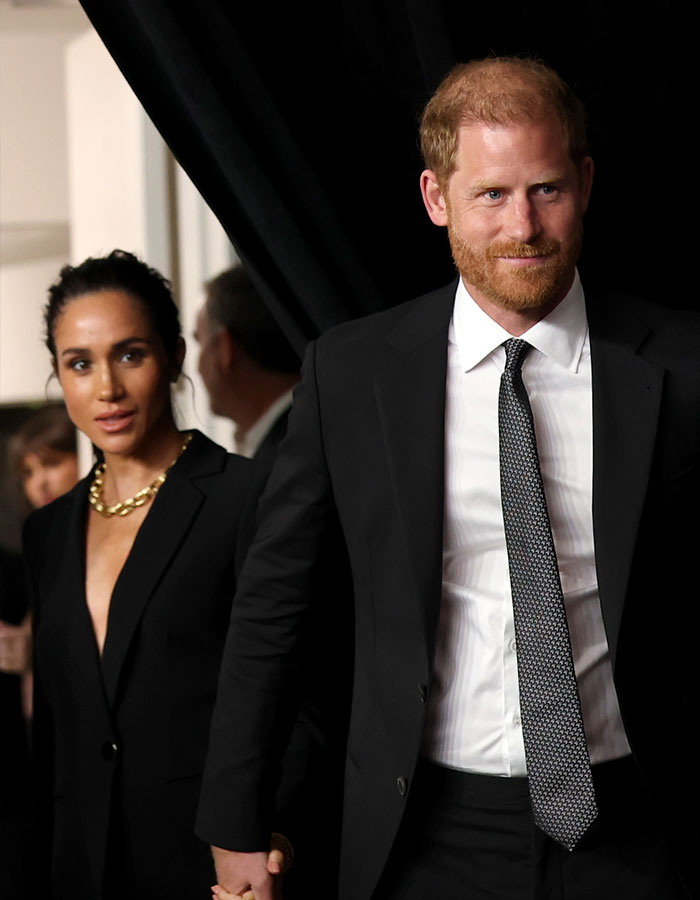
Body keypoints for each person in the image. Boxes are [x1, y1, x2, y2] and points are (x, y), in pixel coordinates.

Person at [196, 57, 699, 900]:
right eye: (492, 196)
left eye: (546, 189)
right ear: (437, 199)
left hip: (645, 827)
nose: (524, 227)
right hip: (427, 832)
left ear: (585, 182)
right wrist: (236, 820)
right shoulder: (352, 374)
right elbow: (275, 605)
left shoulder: (685, 365)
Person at [23, 250, 274, 900]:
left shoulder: (248, 497)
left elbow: (307, 697)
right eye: (79, 364)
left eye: (129, 354)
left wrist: (267, 838)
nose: (105, 387)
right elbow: (56, 732)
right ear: (59, 375)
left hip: (214, 866)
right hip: (80, 871)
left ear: (173, 356)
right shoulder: (47, 533)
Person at [194, 266, 300, 468]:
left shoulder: (285, 459)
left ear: (226, 348)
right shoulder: (313, 424)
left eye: (200, 343)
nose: (198, 368)